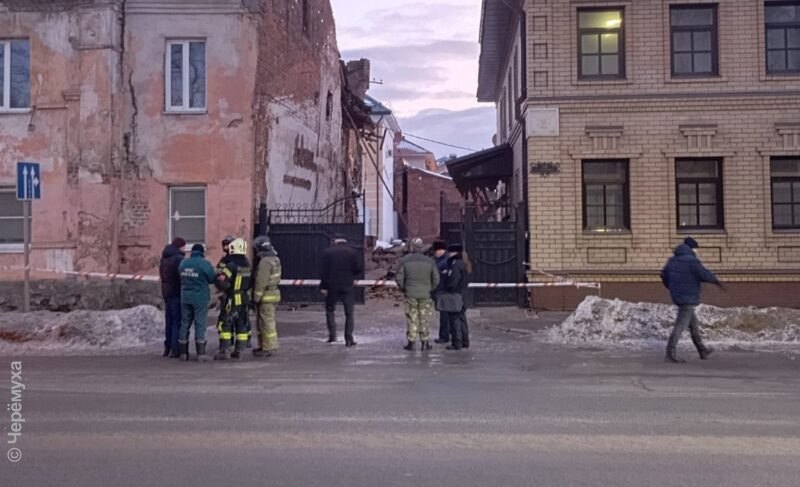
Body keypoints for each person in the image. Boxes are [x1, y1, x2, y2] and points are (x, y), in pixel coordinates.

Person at [661, 237, 724, 363]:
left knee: (693, 325)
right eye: (695, 248)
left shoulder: (672, 260)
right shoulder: (692, 261)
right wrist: (716, 281)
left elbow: (664, 275)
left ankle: (702, 350)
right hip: (688, 297)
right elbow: (704, 274)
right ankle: (670, 353)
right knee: (680, 325)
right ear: (692, 249)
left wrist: (672, 287)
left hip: (678, 296)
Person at [396, 238, 440, 351]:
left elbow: (399, 278)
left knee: (412, 317)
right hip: (425, 294)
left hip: (410, 294)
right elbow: (436, 279)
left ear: (412, 247)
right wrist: (430, 289)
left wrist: (404, 288)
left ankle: (411, 342)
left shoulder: (405, 260)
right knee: (424, 318)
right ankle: (425, 342)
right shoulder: (430, 261)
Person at [320, 234, 364, 347]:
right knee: (349, 313)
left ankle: (332, 336)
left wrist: (323, 287)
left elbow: (324, 272)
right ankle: (349, 339)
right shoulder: (353, 252)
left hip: (331, 286)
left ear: (335, 241)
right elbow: (358, 269)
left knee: (330, 310)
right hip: (348, 285)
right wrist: (352, 277)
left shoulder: (327, 252)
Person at [214, 238, 253, 361]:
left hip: (231, 299)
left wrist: (219, 283)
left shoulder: (230, 265)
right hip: (244, 299)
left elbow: (223, 282)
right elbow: (252, 282)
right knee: (241, 324)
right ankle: (239, 351)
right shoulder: (247, 265)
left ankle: (224, 351)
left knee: (226, 324)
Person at [177, 244, 217, 362]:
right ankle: (201, 353)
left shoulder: (183, 263)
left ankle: (183, 353)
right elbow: (212, 278)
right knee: (200, 324)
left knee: (185, 323)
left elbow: (180, 277)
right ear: (202, 252)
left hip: (185, 297)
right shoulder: (204, 264)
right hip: (200, 298)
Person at [252, 236, 282, 358]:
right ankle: (265, 346)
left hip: (266, 297)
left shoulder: (265, 262)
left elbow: (261, 281)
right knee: (264, 322)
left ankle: (269, 347)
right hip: (274, 294)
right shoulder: (275, 259)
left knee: (266, 322)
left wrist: (255, 297)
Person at [159, 237, 186, 358]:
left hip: (166, 292)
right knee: (177, 321)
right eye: (184, 246)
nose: (185, 249)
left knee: (169, 320)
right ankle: (175, 349)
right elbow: (181, 276)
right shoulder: (178, 259)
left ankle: (167, 347)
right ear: (180, 246)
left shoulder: (164, 258)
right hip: (176, 291)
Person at [444, 243, 471, 351]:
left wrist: (448, 288)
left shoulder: (455, 264)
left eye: (450, 252)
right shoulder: (465, 263)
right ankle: (465, 341)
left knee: (454, 319)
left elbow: (454, 280)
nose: (448, 254)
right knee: (462, 319)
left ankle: (457, 343)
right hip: (464, 295)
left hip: (456, 295)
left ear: (455, 252)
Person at [214, 235, 236, 346]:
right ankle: (228, 342)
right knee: (225, 319)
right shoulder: (224, 259)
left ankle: (229, 345)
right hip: (225, 293)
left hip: (233, 293)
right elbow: (218, 271)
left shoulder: (238, 260)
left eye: (228, 244)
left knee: (232, 319)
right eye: (225, 244)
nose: (226, 247)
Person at [430, 240, 451, 344]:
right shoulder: (444, 260)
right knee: (447, 315)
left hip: (443, 292)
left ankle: (444, 336)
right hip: (443, 291)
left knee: (445, 316)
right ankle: (448, 334)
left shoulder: (443, 262)